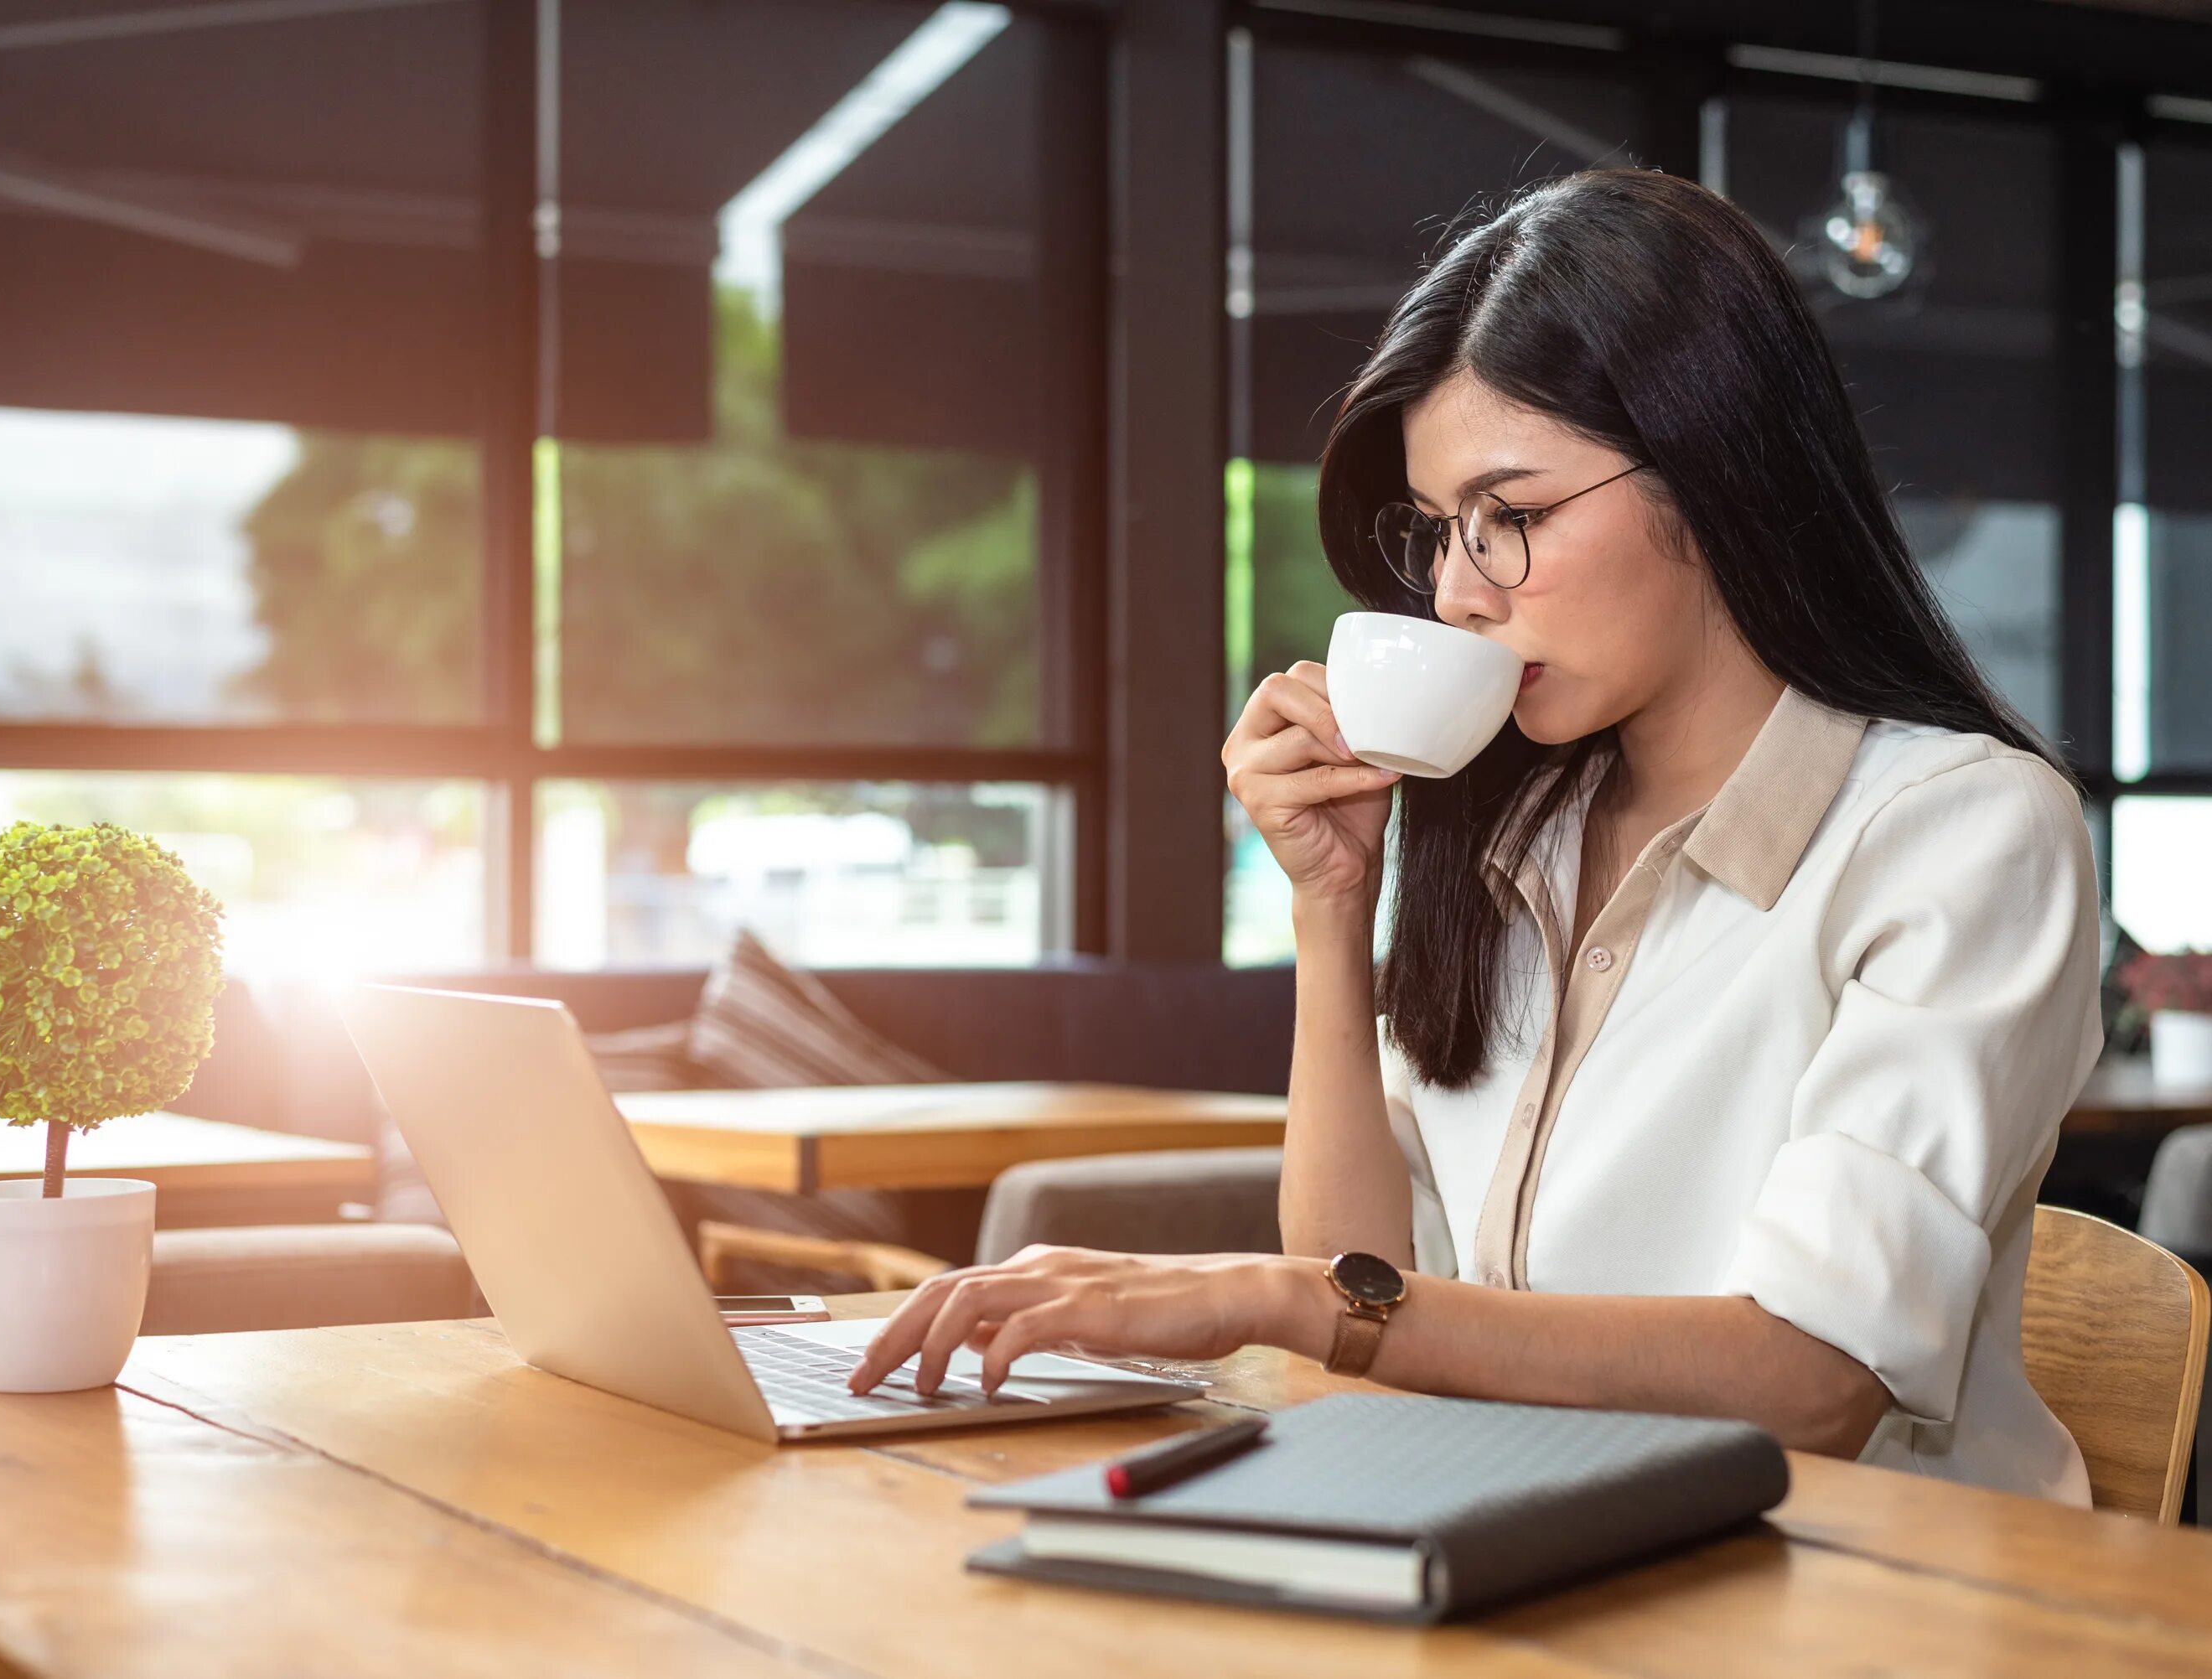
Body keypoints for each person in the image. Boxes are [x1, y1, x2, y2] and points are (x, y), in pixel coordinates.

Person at [846, 168, 2101, 1503]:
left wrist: (1273, 1302)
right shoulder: (1519, 833)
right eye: (1442, 531)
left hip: (1865, 1596)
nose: (1456, 590)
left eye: (1511, 517)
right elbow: (1371, 1275)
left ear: (1715, 463)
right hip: (1540, 1540)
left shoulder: (1961, 829)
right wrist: (1334, 907)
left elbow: (1812, 1378)